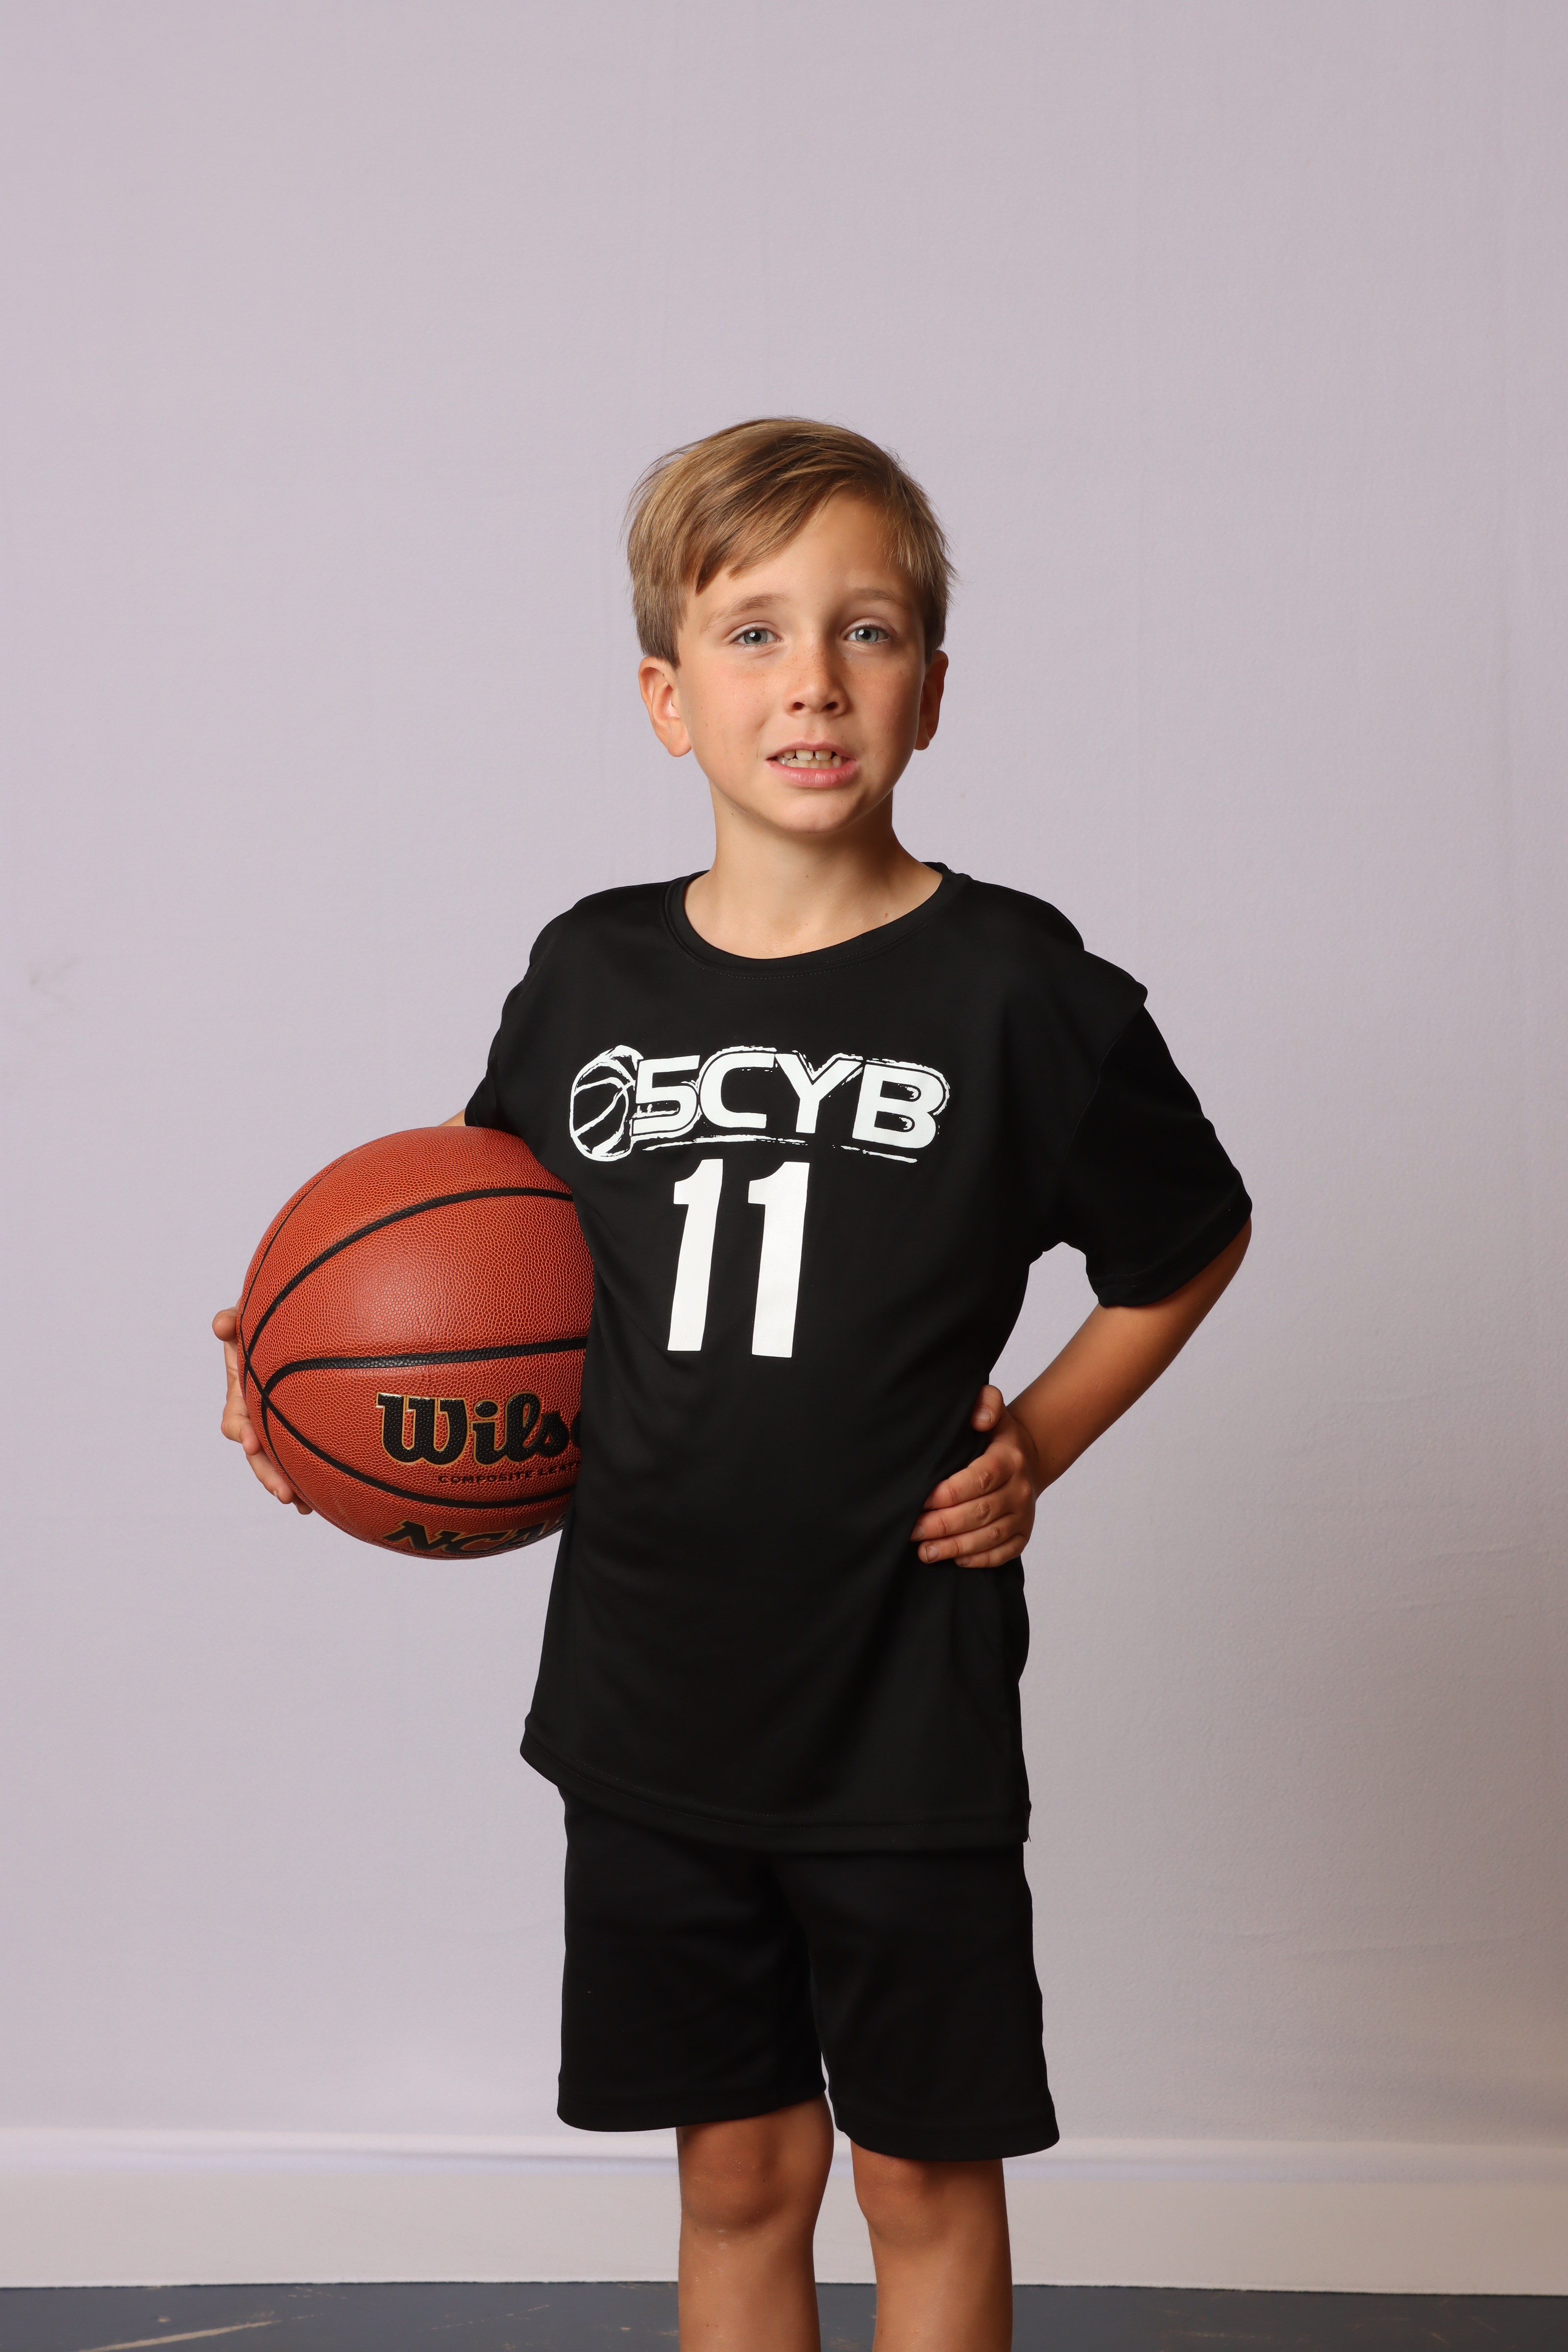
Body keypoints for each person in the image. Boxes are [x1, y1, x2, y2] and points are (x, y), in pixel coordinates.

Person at [215, 418, 1250, 2352]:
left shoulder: (1020, 989)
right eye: (754, 632)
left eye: (866, 631)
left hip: (902, 1706)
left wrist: (1035, 1442)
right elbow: (456, 1265)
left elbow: (1188, 1237)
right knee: (739, 2173)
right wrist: (286, 1389)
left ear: (930, 689)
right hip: (649, 1699)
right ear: (666, 699)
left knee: (923, 2177)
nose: (812, 680)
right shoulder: (587, 978)